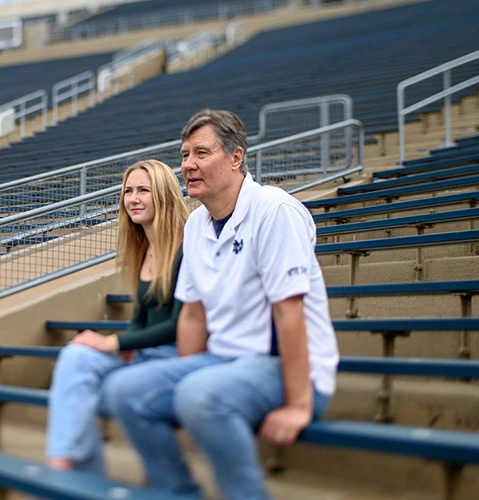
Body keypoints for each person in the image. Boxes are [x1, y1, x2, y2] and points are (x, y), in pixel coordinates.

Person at [105, 109, 339, 499]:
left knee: (201, 396)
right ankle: (178, 492)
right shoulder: (196, 225)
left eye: (201, 153)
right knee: (124, 391)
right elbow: (193, 316)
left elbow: (289, 311)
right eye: (184, 155)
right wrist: (180, 380)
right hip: (222, 360)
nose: (188, 165)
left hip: (285, 366)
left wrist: (300, 405)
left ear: (235, 158)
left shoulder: (273, 210)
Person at [46, 159, 189, 475]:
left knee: (86, 381)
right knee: (76, 357)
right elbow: (141, 317)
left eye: (143, 190)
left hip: (174, 354)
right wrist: (126, 344)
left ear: (163, 195)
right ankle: (72, 470)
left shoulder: (187, 245)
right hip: (146, 351)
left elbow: (179, 326)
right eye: (128, 191)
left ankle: (67, 472)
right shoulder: (145, 248)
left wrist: (115, 342)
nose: (133, 199)